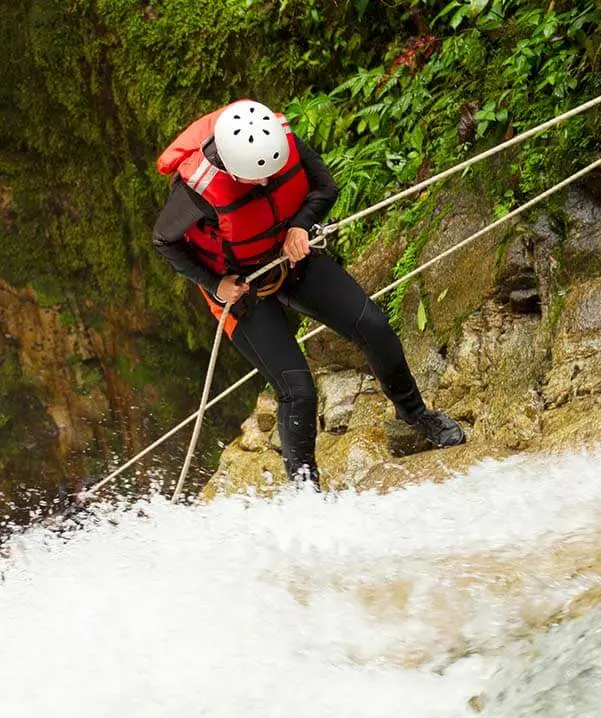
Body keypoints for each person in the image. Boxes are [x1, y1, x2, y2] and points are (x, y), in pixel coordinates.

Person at [152, 99, 465, 485]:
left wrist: (301, 225)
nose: (266, 182)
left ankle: (415, 415)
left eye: (269, 173)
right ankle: (306, 493)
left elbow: (325, 187)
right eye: (255, 177)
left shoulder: (279, 142)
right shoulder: (197, 191)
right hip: (241, 291)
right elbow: (164, 240)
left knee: (375, 327)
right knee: (297, 390)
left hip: (290, 257)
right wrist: (215, 284)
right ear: (233, 168)